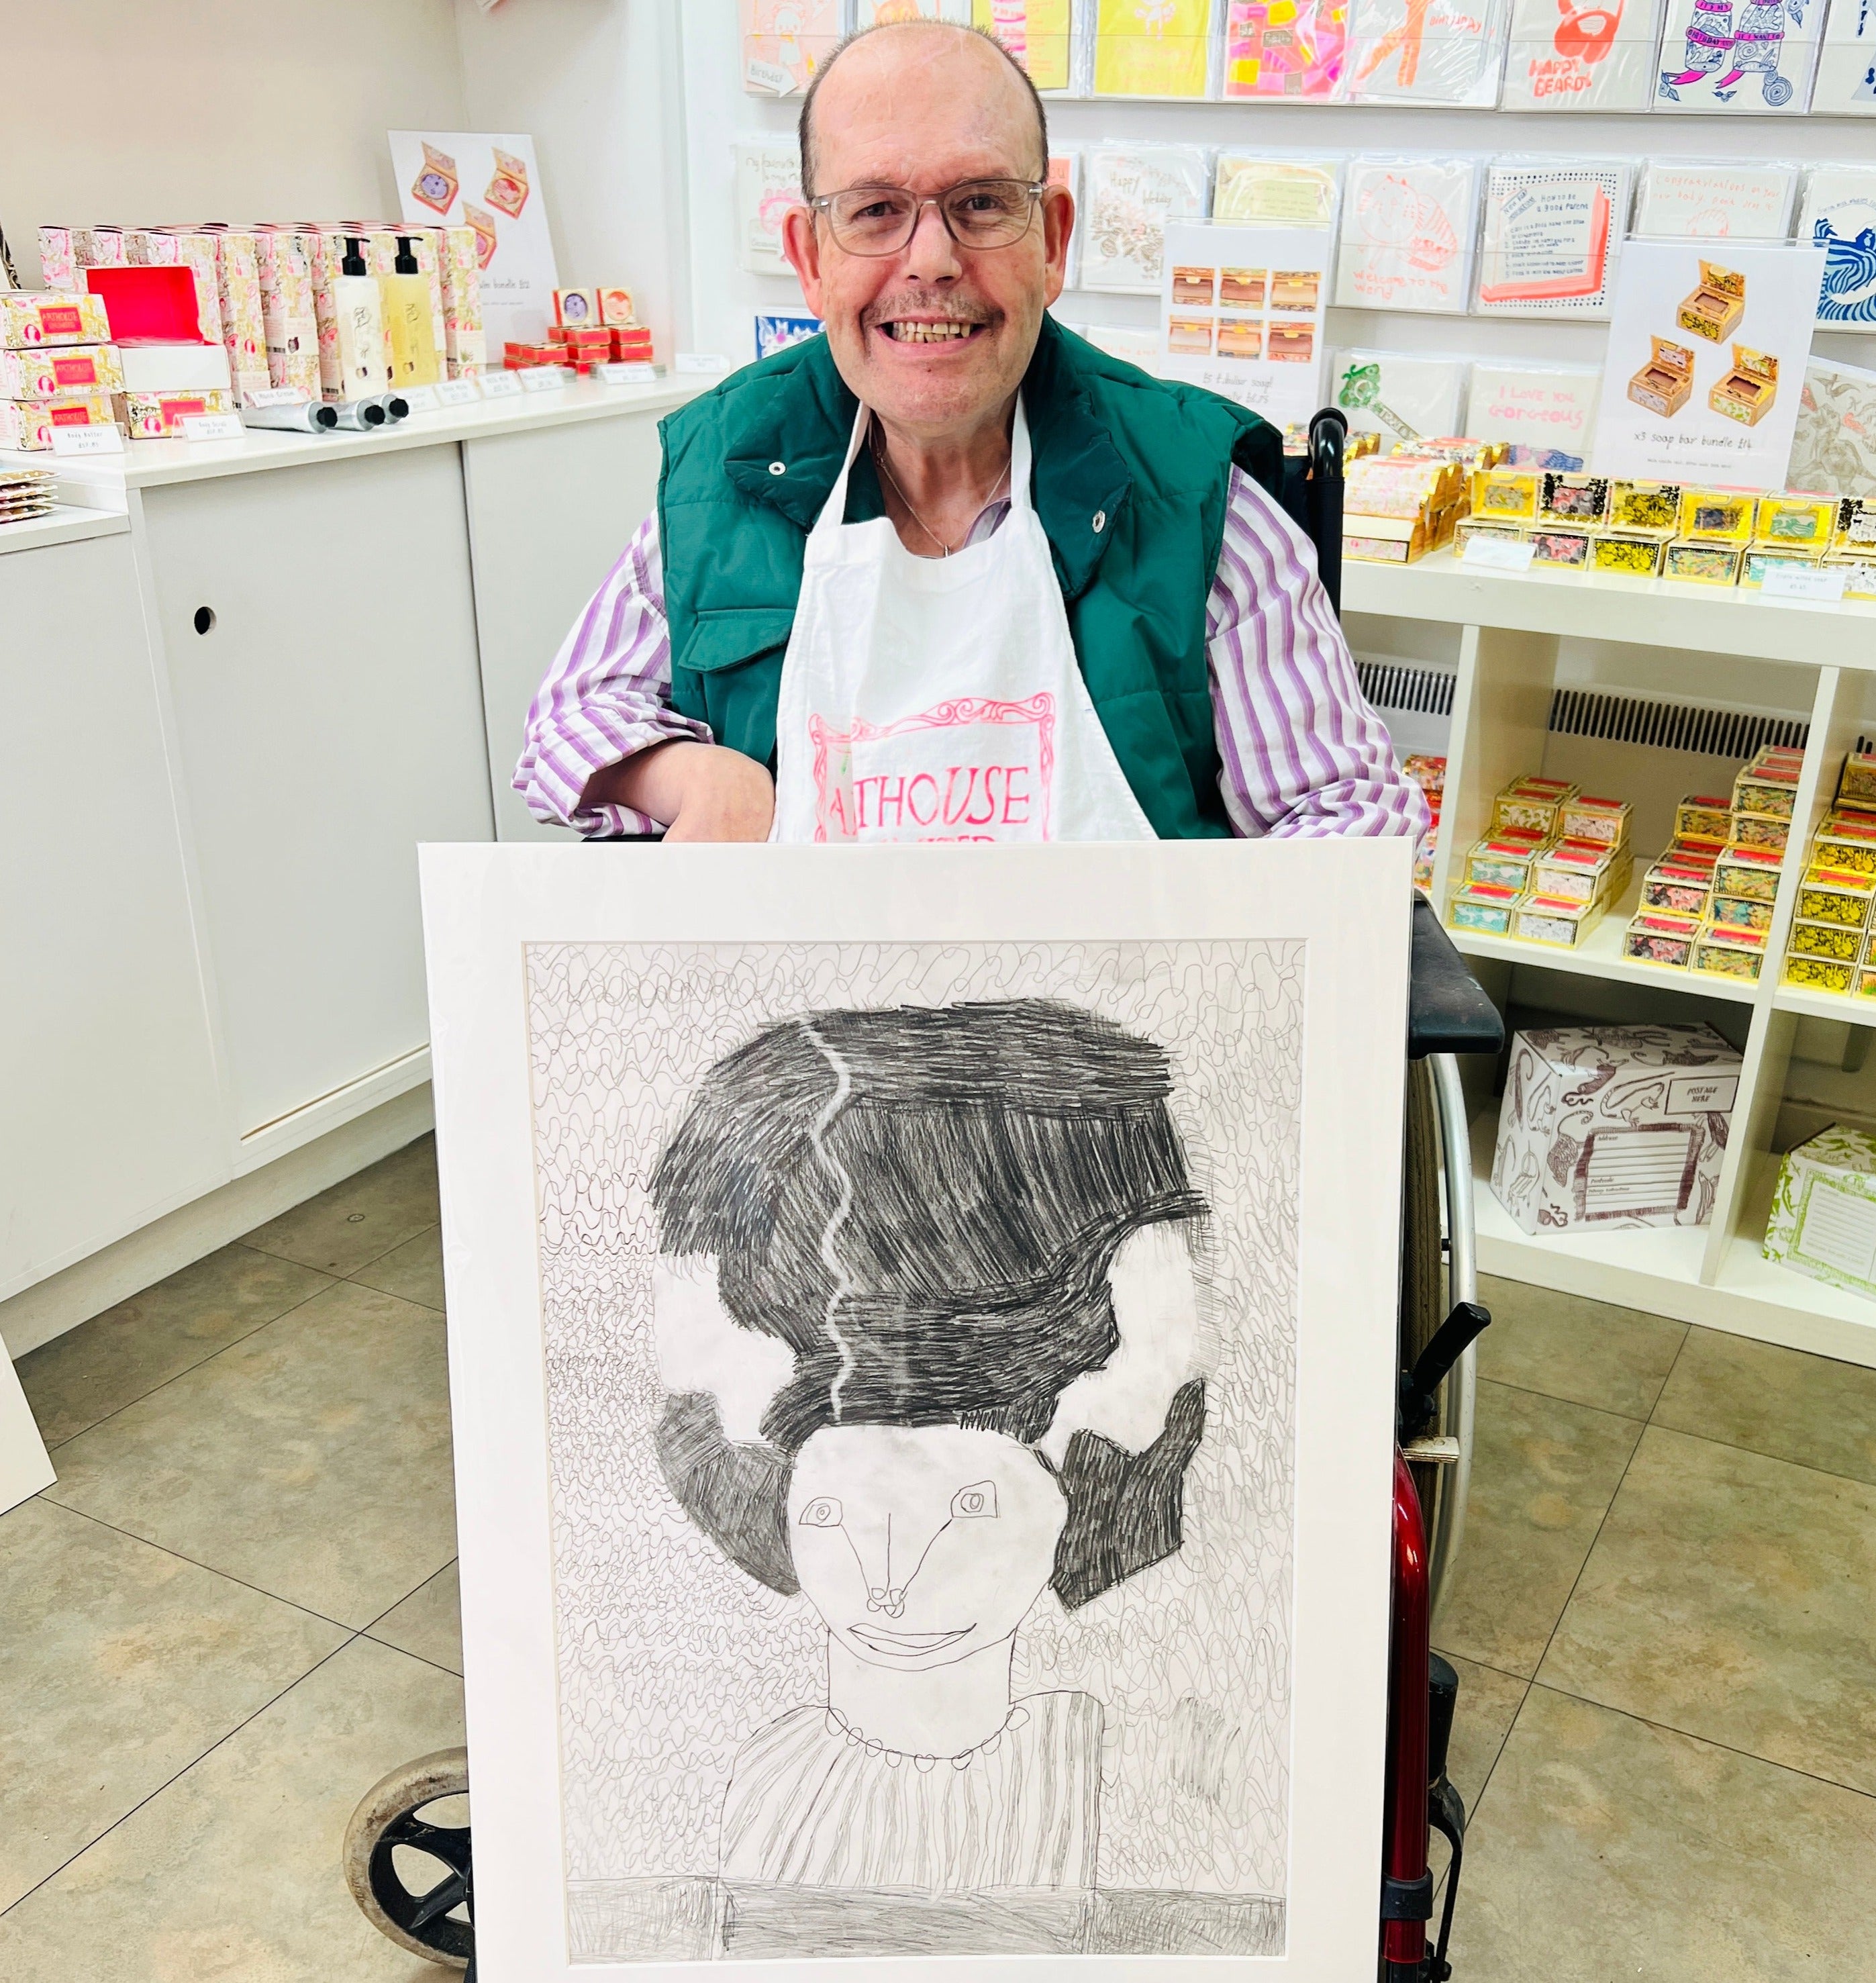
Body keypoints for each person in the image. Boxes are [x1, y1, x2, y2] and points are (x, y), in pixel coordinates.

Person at [515, 17, 1428, 849]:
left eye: (982, 203)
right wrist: (698, 777)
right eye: (874, 210)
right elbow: (569, 720)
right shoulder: (725, 471)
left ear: (1053, 240)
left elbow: (1350, 813)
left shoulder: (1192, 490)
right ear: (808, 259)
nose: (932, 260)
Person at [647, 1000, 1218, 1915]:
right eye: (837, 1511)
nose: (889, 1582)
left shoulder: (1133, 1779)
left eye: (967, 1509)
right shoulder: (773, 1786)